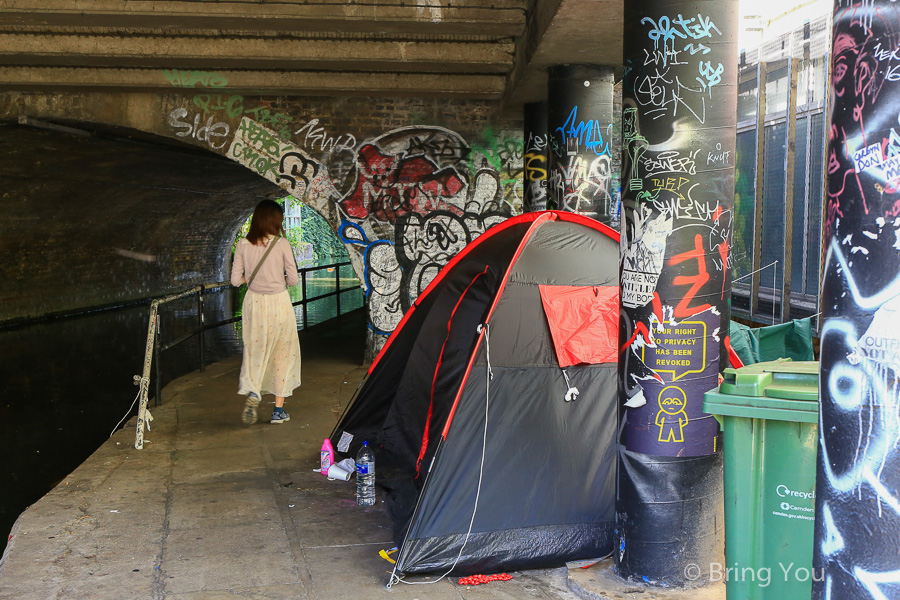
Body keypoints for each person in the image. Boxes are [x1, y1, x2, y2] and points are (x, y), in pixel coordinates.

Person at [230, 200, 302, 424]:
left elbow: (234, 281)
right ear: (276, 220)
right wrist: (275, 277)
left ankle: (253, 391)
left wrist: (252, 277)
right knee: (283, 353)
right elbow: (293, 280)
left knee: (255, 350)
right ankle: (278, 412)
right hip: (278, 303)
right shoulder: (281, 244)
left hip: (254, 304)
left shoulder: (243, 244)